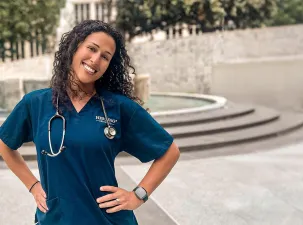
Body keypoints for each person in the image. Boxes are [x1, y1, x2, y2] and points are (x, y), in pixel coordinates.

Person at [0, 20, 180, 225]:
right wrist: (32, 185)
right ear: (75, 47)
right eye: (92, 49)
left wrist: (138, 195)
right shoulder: (36, 103)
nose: (95, 60)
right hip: (55, 219)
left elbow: (169, 151)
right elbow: (5, 143)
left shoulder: (117, 107)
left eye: (105, 57)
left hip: (107, 220)